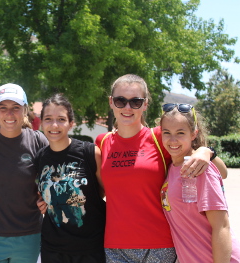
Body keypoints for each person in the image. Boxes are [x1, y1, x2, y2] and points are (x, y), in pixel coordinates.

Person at [95, 74, 227, 263]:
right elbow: (97, 190)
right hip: (115, 246)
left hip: (159, 246)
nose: (127, 107)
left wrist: (206, 152)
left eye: (135, 102)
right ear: (111, 102)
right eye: (120, 100)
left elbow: (222, 173)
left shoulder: (160, 137)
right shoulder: (103, 142)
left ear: (145, 104)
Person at [0, 83, 48, 263]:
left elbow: (52, 180)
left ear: (25, 110)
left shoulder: (38, 141)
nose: (9, 113)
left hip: (29, 237)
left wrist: (48, 199)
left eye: (16, 107)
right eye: (3, 108)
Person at [159, 103, 240, 262]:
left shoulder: (200, 168)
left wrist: (206, 151)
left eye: (180, 133)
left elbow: (221, 226)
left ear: (193, 134)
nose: (173, 140)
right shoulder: (172, 167)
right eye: (167, 132)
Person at [35, 94, 106, 262]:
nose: (54, 125)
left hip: (90, 247)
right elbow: (41, 192)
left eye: (61, 119)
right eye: (48, 119)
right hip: (53, 249)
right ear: (41, 123)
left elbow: (102, 191)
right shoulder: (40, 158)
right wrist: (42, 201)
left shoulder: (90, 153)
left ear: (71, 123)